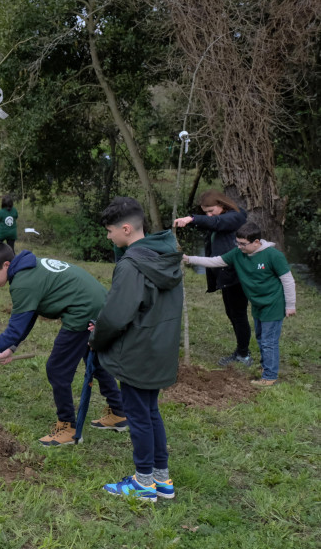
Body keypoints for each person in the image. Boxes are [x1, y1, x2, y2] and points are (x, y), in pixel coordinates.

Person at [0, 242, 127, 446]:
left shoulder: (22, 282)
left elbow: (14, 330)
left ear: (6, 264)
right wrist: (11, 348)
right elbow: (29, 315)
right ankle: (119, 413)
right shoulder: (28, 268)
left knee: (57, 369)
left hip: (83, 311)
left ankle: (67, 428)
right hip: (98, 303)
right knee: (95, 361)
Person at [92, 197, 183, 502]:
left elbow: (117, 315)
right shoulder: (166, 255)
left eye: (110, 231)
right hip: (160, 349)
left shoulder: (132, 265)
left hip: (137, 352)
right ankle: (161, 478)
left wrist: (96, 340)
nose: (108, 236)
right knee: (151, 412)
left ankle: (143, 483)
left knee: (139, 416)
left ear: (127, 229)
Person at [184, 221, 295, 386]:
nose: (239, 246)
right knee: (260, 337)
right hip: (258, 303)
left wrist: (290, 305)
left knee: (268, 340)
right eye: (238, 242)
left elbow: (288, 280)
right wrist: (189, 259)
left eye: (243, 244)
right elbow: (216, 261)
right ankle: (266, 367)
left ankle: (270, 377)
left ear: (256, 242)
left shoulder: (273, 256)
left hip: (273, 303)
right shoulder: (238, 253)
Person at [173, 190, 251, 366]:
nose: (209, 215)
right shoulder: (219, 218)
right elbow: (211, 224)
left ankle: (243, 354)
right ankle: (242, 349)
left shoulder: (236, 216)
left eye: (211, 210)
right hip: (225, 273)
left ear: (222, 205)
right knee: (231, 312)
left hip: (237, 275)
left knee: (238, 314)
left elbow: (216, 222)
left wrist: (192, 219)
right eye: (205, 212)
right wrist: (190, 223)